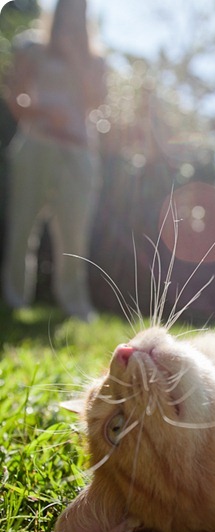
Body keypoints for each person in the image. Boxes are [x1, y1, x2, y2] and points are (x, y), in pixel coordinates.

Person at [2, 0, 106, 321]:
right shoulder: (32, 46)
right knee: (22, 227)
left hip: (79, 153)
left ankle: (75, 307)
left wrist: (75, 59)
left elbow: (97, 101)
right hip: (37, 144)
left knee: (75, 234)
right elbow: (15, 97)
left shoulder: (95, 58)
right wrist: (45, 113)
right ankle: (14, 300)